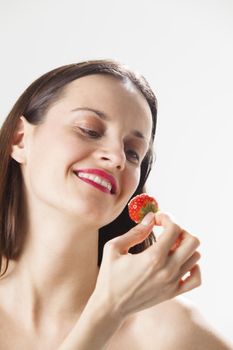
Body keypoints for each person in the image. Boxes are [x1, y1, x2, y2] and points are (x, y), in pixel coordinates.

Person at [0, 60, 231, 350]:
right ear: (20, 140)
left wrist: (111, 309)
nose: (117, 157)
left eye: (133, 153)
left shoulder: (172, 334)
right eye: (89, 130)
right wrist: (107, 312)